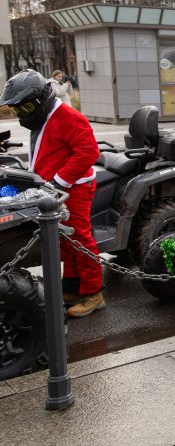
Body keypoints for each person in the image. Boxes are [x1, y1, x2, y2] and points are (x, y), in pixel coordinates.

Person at [0, 70, 103, 317]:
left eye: (24, 108)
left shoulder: (67, 116)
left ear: (39, 101)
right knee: (65, 240)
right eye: (17, 110)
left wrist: (59, 180)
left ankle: (93, 293)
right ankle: (72, 286)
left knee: (79, 238)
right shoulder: (46, 116)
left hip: (73, 188)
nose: (21, 114)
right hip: (55, 189)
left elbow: (89, 152)